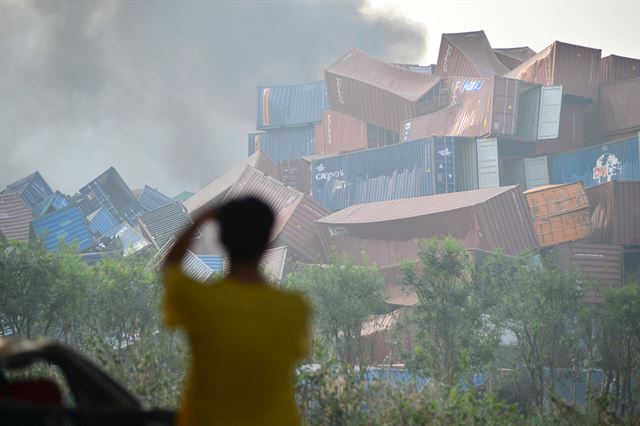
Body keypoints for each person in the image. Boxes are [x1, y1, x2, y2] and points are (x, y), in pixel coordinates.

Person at [162, 196, 310, 426]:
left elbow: (170, 266)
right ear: (268, 244)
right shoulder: (294, 308)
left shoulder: (201, 301)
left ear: (221, 241)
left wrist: (203, 217)